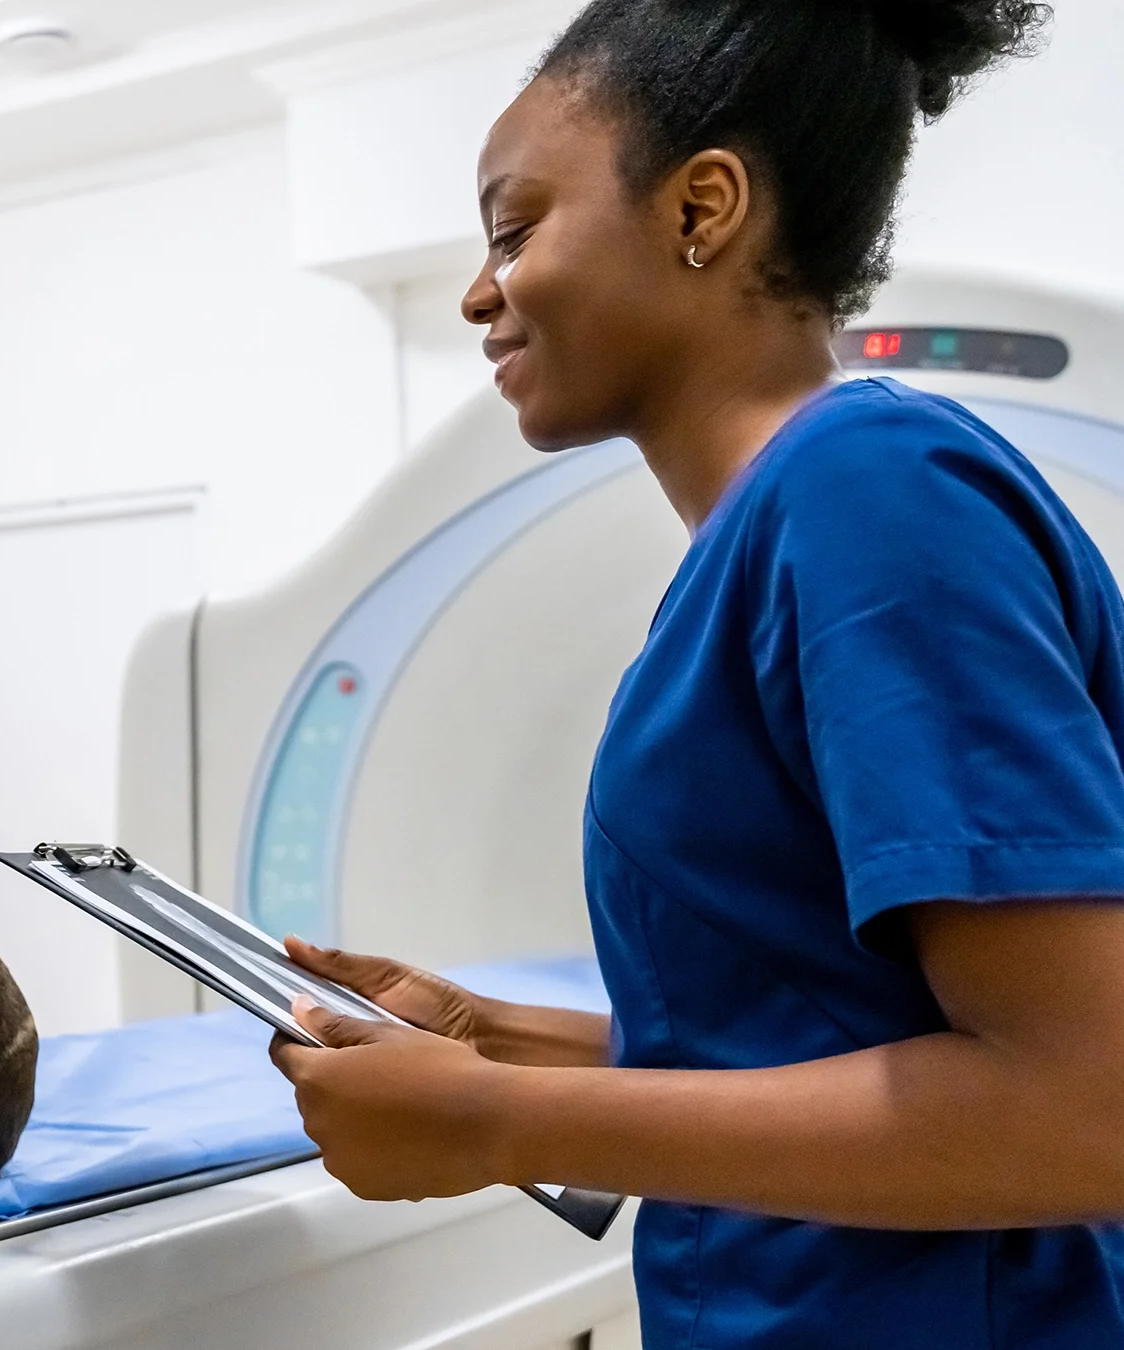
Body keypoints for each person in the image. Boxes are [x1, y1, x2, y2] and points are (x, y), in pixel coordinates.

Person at [266, 2, 1124, 1346]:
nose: (478, 293)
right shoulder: (771, 537)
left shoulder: (870, 498)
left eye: (514, 231)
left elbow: (1085, 1110)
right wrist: (493, 1036)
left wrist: (504, 1121)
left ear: (702, 207)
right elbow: (822, 1039)